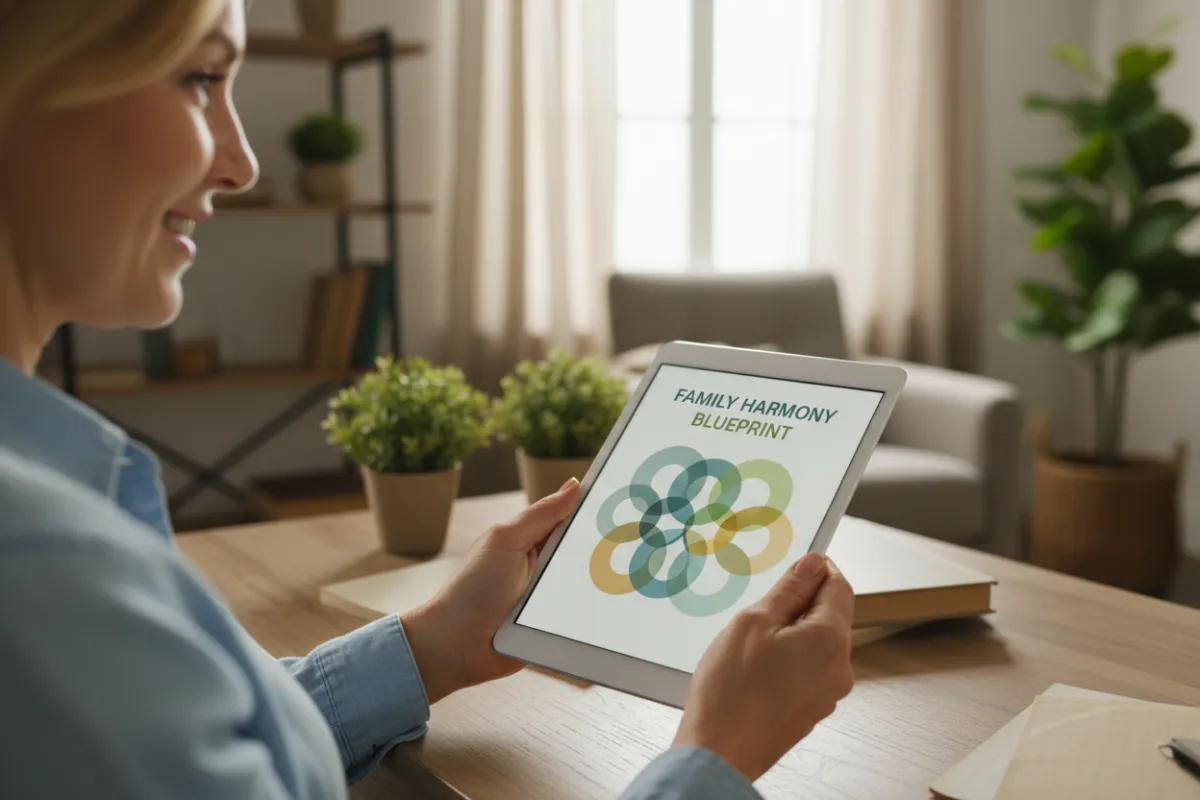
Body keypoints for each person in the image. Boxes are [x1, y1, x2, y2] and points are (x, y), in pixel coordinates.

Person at [0, 2, 856, 798]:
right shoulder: (38, 564)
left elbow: (193, 750)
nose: (242, 162)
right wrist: (712, 756)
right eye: (199, 80)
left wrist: (434, 644)